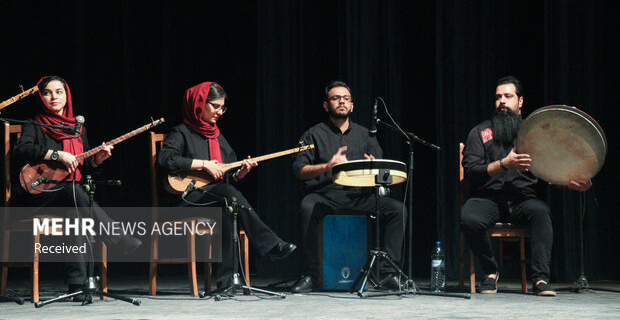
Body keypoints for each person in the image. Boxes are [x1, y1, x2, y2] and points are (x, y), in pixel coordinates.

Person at [461, 75, 592, 296]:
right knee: (469, 218)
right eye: (497, 97)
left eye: (508, 96)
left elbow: (551, 169)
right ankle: (490, 271)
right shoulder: (480, 133)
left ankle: (540, 279)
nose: (502, 101)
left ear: (520, 101)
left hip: (523, 199)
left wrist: (572, 184)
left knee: (541, 212)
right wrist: (504, 164)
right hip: (488, 197)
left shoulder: (536, 134)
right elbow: (472, 172)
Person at [157, 81, 296, 288]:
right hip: (185, 199)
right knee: (228, 195)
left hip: (212, 198)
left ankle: (227, 281)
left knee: (228, 211)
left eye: (223, 107)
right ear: (199, 103)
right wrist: (203, 164)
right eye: (215, 106)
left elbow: (226, 178)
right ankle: (269, 244)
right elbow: (165, 159)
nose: (220, 112)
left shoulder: (217, 136)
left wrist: (240, 173)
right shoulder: (181, 132)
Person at [13, 75, 141, 298]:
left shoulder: (78, 128)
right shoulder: (34, 124)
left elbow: (85, 168)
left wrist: (97, 160)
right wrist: (57, 153)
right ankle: (116, 237)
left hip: (70, 195)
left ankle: (77, 285)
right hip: (39, 194)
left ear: (67, 95)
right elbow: (22, 150)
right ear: (41, 97)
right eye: (47, 92)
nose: (54, 97)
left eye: (59, 92)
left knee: (76, 213)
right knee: (77, 193)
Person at [290, 80, 406, 293]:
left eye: (345, 98)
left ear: (352, 105)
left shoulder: (366, 135)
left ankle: (386, 273)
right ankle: (311, 275)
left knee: (398, 210)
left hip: (359, 196)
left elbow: (383, 175)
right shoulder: (313, 134)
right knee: (308, 206)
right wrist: (328, 165)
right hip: (325, 195)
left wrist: (373, 168)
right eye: (335, 98)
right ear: (326, 106)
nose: (341, 101)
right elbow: (299, 170)